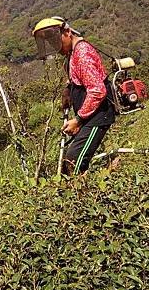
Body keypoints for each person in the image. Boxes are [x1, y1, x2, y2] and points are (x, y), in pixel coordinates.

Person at [33, 17, 115, 174]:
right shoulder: (71, 54)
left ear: (67, 32)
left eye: (56, 40)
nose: (55, 46)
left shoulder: (82, 53)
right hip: (88, 115)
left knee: (73, 161)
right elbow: (78, 79)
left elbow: (98, 90)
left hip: (98, 116)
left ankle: (82, 194)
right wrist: (68, 90)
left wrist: (78, 120)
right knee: (72, 159)